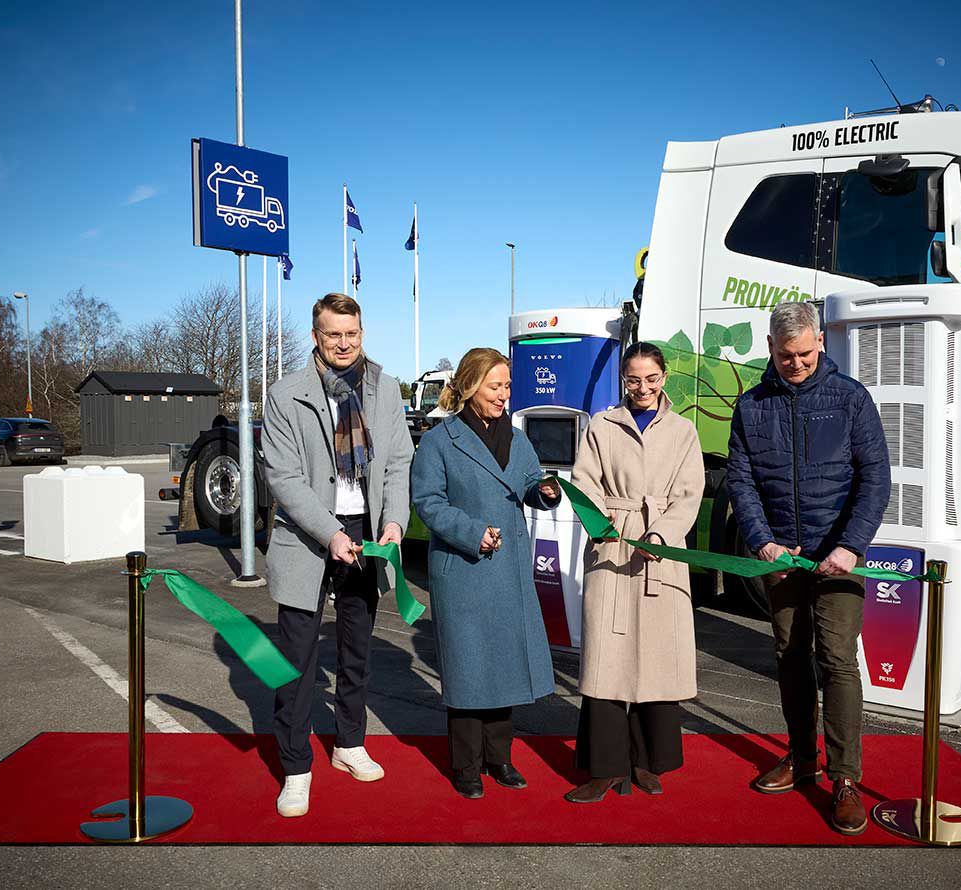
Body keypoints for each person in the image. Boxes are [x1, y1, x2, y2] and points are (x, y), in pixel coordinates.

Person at [725, 301, 890, 835]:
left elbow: (876, 480)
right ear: (769, 348)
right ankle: (801, 758)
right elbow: (741, 479)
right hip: (781, 558)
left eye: (803, 353)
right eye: (784, 354)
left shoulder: (849, 399)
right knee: (790, 655)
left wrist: (851, 546)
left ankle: (844, 779)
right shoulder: (751, 406)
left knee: (837, 660)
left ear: (820, 342)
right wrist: (761, 540)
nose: (795, 363)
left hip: (838, 556)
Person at [261, 292, 414, 818]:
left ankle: (349, 744)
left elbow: (398, 463)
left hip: (367, 531)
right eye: (333, 334)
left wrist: (394, 520)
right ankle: (297, 768)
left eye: (352, 334)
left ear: (362, 333)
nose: (344, 344)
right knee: (297, 661)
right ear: (316, 337)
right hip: (309, 533)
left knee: (356, 651)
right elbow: (283, 477)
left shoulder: (385, 389)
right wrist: (329, 533)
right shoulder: (286, 395)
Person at [410, 348, 562, 799]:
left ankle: (501, 759)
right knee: (469, 669)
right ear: (471, 386)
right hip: (464, 570)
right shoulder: (440, 440)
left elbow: (532, 483)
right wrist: (473, 533)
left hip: (509, 568)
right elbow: (428, 502)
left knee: (505, 666)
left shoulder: (518, 439)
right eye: (496, 386)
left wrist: (546, 492)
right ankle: (467, 767)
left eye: (508, 386)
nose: (504, 395)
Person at [566, 342, 704, 803]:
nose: (642, 388)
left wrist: (661, 536)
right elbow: (583, 481)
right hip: (613, 545)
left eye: (651, 378)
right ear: (622, 380)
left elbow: (689, 493)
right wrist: (602, 524)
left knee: (657, 657)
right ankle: (604, 767)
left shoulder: (684, 430)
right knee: (607, 655)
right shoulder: (601, 426)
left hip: (662, 552)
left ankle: (648, 762)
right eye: (633, 380)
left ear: (664, 377)